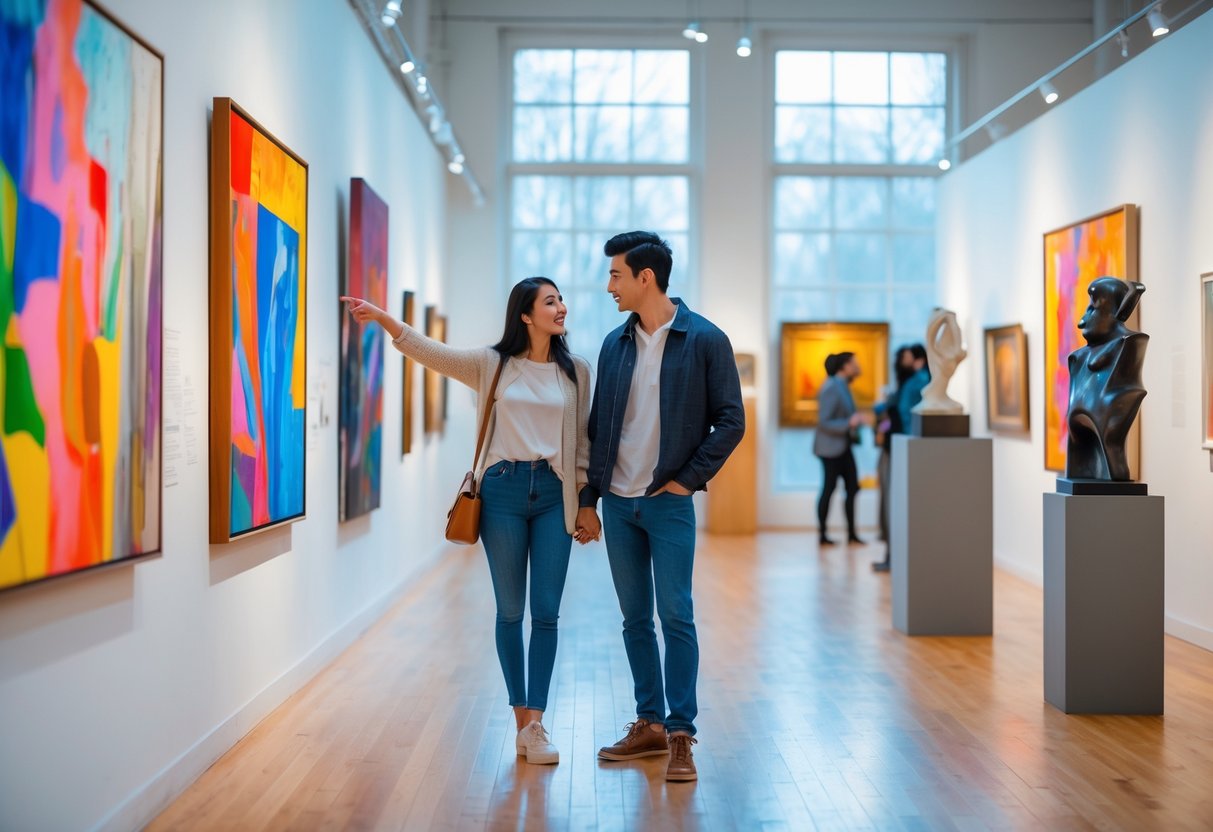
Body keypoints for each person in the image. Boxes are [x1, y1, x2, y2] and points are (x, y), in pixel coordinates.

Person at [341, 278, 600, 767]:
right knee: (510, 610)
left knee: (546, 611)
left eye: (561, 300)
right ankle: (523, 721)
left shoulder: (578, 372)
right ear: (525, 315)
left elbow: (584, 446)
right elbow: (432, 353)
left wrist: (587, 502)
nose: (561, 308)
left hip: (553, 494)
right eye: (551, 302)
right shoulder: (493, 364)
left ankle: (538, 722)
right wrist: (382, 318)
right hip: (500, 491)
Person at [581, 232, 744, 783]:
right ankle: (648, 724)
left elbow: (731, 420)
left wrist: (687, 481)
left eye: (616, 275)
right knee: (634, 620)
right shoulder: (614, 344)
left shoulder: (705, 340)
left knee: (676, 615)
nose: (609, 286)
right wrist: (590, 497)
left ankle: (680, 734)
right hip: (620, 506)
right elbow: (600, 425)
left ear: (645, 277)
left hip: (668, 504)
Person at [873, 344, 928, 573]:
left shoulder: (919, 381)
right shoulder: (913, 381)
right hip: (897, 446)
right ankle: (892, 554)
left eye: (906, 357)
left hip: (901, 447)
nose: (901, 361)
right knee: (890, 502)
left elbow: (902, 411)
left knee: (893, 503)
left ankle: (894, 556)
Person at [813, 352, 869, 547]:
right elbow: (824, 421)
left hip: (843, 446)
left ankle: (852, 534)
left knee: (852, 487)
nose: (858, 366)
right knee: (828, 488)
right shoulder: (831, 387)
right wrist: (849, 422)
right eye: (854, 363)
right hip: (830, 448)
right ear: (845, 366)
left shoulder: (842, 386)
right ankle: (822, 534)